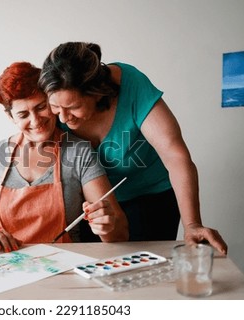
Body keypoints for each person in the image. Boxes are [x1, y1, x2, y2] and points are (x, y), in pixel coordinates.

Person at [35, 41, 227, 254]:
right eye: (55, 108)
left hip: (149, 198)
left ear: (97, 92)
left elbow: (176, 156)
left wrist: (193, 225)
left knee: (145, 271)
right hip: (90, 205)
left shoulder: (132, 85)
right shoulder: (52, 102)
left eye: (74, 107)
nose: (63, 118)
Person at [0, 61, 128, 252]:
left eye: (40, 107)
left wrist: (106, 225)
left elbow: (120, 233)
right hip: (6, 269)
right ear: (10, 117)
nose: (35, 121)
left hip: (66, 266)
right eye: (23, 114)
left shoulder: (79, 152)